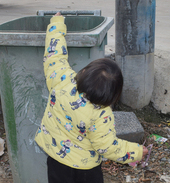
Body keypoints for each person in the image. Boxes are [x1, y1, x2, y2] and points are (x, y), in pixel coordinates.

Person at [34, 12, 148, 183]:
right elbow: (108, 147)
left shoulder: (62, 79)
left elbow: (54, 56)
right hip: (85, 169)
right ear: (112, 96)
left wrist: (57, 24)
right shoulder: (101, 114)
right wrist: (137, 152)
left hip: (56, 158)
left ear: (84, 71)